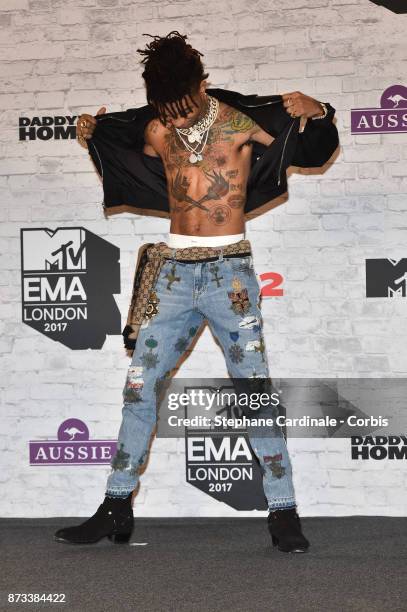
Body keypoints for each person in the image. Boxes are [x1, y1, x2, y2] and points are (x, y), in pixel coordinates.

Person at [54, 31, 339, 553]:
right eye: (167, 108)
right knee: (139, 390)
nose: (177, 117)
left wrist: (320, 113)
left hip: (230, 274)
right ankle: (116, 506)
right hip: (173, 274)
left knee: (254, 393)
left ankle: (283, 512)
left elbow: (311, 148)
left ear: (204, 85)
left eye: (184, 105)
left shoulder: (239, 120)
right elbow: (119, 147)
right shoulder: (156, 126)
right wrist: (94, 132)